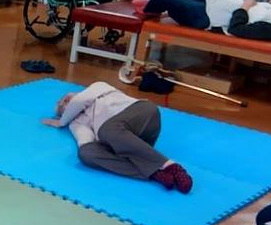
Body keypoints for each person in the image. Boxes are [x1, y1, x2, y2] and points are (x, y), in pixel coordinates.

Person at [41, 82, 193, 193]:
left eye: (65, 99)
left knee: (106, 130)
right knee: (86, 154)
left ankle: (171, 166)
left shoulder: (97, 88)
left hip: (142, 116)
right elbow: (85, 141)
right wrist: (70, 123)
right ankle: (154, 173)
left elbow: (79, 101)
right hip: (128, 145)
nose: (64, 102)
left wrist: (61, 122)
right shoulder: (76, 122)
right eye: (62, 106)